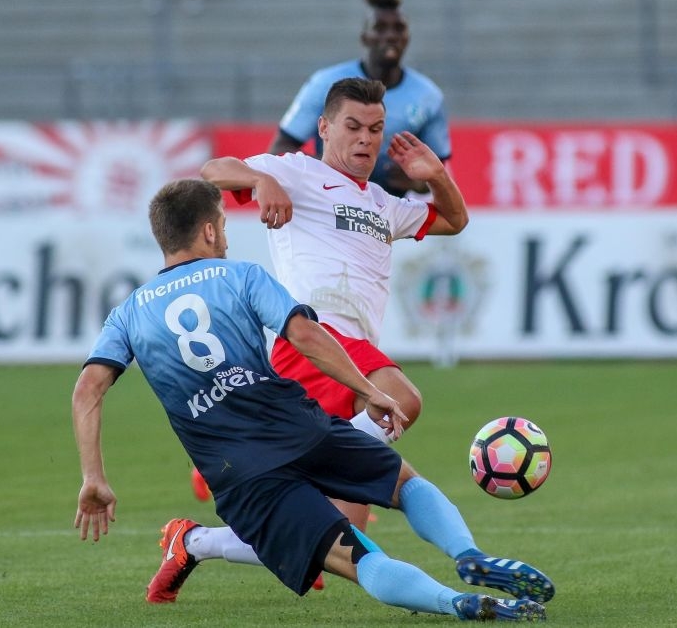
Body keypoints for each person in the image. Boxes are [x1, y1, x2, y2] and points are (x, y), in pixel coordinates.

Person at [73, 178, 548, 622]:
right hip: (299, 429)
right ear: (209, 229)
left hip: (238, 475)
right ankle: (468, 556)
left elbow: (87, 390)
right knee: (402, 484)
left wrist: (94, 477)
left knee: (360, 559)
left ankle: (458, 603)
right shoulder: (240, 276)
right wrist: (368, 391)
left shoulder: (128, 313)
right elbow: (303, 335)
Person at [158, 78, 554, 603]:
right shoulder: (297, 172)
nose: (366, 139)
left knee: (332, 532)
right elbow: (212, 172)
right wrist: (261, 179)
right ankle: (269, 462)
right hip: (311, 344)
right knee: (404, 399)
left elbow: (454, 219)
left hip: (348, 358)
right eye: (353, 126)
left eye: (376, 129)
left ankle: (194, 540)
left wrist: (436, 174)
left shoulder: (385, 205)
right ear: (324, 128)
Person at [269, 0, 451, 198]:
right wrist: (330, 170)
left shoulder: (428, 96)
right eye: (380, 28)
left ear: (407, 37)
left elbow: (439, 173)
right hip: (330, 207)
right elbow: (279, 149)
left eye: (398, 28)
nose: (391, 35)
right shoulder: (324, 83)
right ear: (365, 37)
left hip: (389, 216)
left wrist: (416, 181)